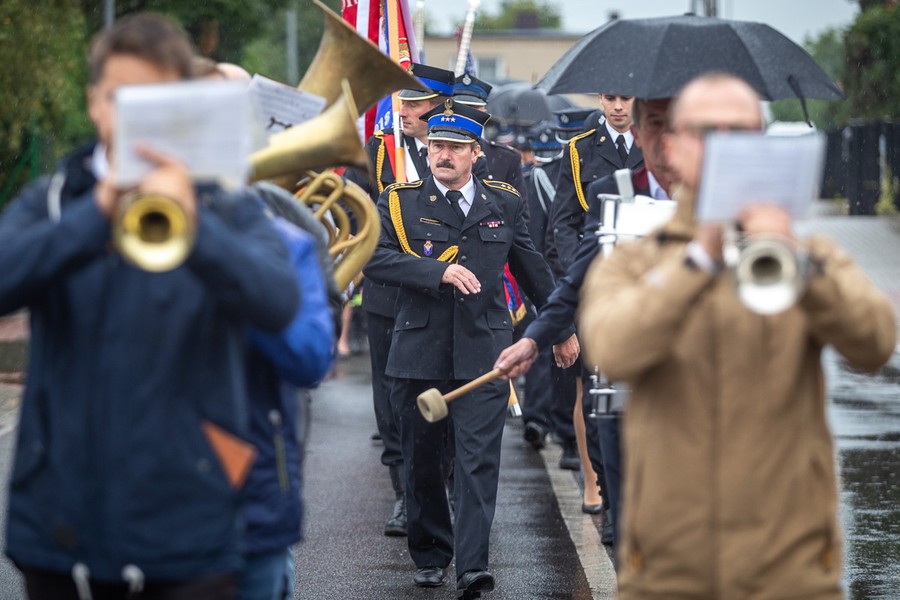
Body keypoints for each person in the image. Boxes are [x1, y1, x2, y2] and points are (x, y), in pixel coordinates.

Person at [0, 13, 300, 600]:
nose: (135, 117)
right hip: (61, 527)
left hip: (189, 527)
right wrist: (99, 213)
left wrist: (196, 226)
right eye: (122, 98)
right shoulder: (58, 200)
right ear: (95, 104)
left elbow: (278, 302)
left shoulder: (227, 206)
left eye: (157, 101)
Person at [578, 73, 897, 599]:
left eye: (743, 133)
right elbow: (613, 349)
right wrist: (698, 258)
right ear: (674, 146)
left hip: (790, 572)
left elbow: (875, 343)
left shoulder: (806, 249)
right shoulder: (636, 258)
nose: (728, 148)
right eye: (709, 132)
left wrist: (795, 257)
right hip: (669, 572)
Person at [362, 99, 556, 598]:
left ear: (475, 152)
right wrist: (437, 271)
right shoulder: (400, 201)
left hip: (485, 353)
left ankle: (473, 565)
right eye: (436, 146)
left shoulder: (504, 202)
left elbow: (533, 268)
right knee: (423, 459)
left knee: (477, 461)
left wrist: (562, 329)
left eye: (453, 147)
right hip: (419, 351)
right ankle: (431, 552)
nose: (441, 155)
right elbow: (376, 261)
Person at [496, 96, 676, 544]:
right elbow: (574, 267)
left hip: (676, 333)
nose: (657, 138)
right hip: (611, 312)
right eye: (648, 126)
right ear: (637, 132)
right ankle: (617, 506)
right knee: (606, 413)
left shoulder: (708, 190)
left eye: (666, 126)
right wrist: (537, 337)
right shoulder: (607, 189)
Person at [344, 62, 456, 538]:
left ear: (441, 106)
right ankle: (402, 492)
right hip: (389, 294)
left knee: (444, 393)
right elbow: (358, 211)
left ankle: (441, 485)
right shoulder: (377, 148)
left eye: (415, 101)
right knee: (391, 399)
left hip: (446, 296)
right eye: (401, 99)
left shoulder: (467, 153)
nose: (403, 109)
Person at [453, 73, 526, 196]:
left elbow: (520, 211)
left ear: (485, 113)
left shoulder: (506, 158)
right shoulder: (436, 155)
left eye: (473, 108)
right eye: (460, 108)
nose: (466, 114)